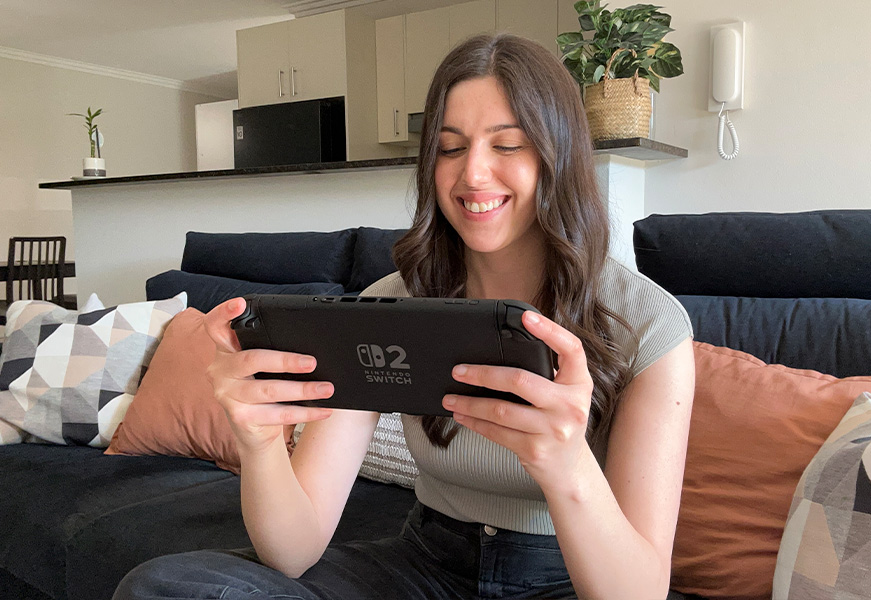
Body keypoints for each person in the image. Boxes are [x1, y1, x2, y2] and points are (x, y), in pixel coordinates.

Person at [114, 33, 694, 600]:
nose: (472, 175)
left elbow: (638, 591)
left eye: (508, 144)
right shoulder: (389, 305)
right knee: (165, 587)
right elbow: (292, 552)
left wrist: (568, 469)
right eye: (450, 147)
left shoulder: (650, 327)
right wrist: (261, 442)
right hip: (425, 564)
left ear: (558, 154)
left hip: (568, 576)